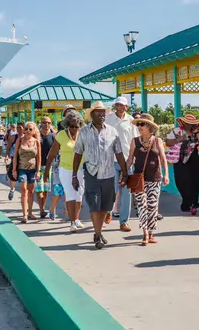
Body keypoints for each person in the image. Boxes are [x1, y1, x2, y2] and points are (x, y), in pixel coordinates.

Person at [72, 101, 127, 250]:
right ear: (92, 115)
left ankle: (99, 232)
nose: (102, 114)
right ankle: (97, 234)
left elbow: (119, 153)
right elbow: (77, 154)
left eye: (103, 112)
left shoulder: (112, 131)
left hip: (108, 174)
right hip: (91, 173)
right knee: (94, 205)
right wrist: (74, 175)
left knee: (105, 206)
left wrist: (125, 171)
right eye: (98, 112)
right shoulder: (84, 132)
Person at [124, 113, 168, 245]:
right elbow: (130, 159)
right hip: (139, 179)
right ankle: (144, 233)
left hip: (155, 178)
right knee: (142, 206)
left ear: (149, 126)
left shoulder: (157, 141)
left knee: (152, 206)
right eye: (138, 124)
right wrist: (124, 173)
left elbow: (162, 158)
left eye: (142, 124)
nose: (139, 126)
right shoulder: (135, 141)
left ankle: (151, 233)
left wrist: (166, 175)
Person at [46, 107, 85, 231]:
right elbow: (52, 154)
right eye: (72, 126)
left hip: (81, 169)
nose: (74, 129)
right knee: (70, 193)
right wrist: (47, 170)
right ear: (67, 125)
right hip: (65, 169)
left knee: (79, 194)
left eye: (77, 126)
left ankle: (77, 218)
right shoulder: (61, 135)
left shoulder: (83, 134)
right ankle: (72, 222)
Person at [107, 96, 136, 232]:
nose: (118, 108)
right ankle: (107, 212)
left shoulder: (131, 121)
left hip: (126, 161)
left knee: (126, 192)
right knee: (112, 190)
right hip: (111, 160)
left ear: (126, 107)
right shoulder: (108, 118)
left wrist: (132, 159)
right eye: (117, 105)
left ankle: (124, 221)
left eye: (121, 105)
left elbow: (134, 141)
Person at [173, 114, 199, 214]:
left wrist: (197, 133)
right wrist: (178, 140)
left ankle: (192, 204)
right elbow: (168, 142)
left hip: (193, 159)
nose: (189, 124)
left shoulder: (196, 134)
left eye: (192, 123)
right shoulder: (177, 132)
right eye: (188, 122)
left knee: (194, 181)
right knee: (180, 181)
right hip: (180, 159)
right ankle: (186, 201)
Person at [12, 122, 43, 223]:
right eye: (26, 129)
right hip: (22, 169)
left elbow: (39, 158)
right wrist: (14, 170)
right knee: (24, 190)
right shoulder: (19, 140)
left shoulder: (36, 142)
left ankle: (30, 212)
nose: (28, 131)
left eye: (30, 129)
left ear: (34, 131)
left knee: (31, 191)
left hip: (33, 169)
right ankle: (24, 215)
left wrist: (38, 171)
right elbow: (15, 156)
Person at [36, 118, 57, 219]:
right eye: (44, 122)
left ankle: (43, 208)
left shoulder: (53, 137)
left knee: (45, 189)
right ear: (41, 123)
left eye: (49, 122)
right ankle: (41, 209)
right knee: (39, 188)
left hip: (49, 167)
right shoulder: (36, 135)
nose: (46, 124)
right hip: (37, 167)